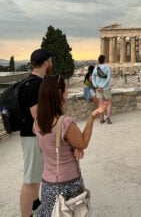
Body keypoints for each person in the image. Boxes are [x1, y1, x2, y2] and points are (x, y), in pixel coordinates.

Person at [33, 75, 107, 217]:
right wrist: (92, 117)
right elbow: (83, 143)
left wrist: (73, 147)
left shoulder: (36, 123)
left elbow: (52, 145)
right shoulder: (64, 123)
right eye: (66, 90)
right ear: (59, 94)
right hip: (68, 183)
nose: (68, 93)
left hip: (48, 183)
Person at [19, 49, 53, 217]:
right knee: (30, 179)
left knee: (35, 175)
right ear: (46, 63)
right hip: (32, 137)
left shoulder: (32, 82)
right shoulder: (35, 85)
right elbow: (37, 115)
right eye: (50, 61)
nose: (51, 64)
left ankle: (36, 204)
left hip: (30, 136)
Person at [92, 54, 113, 124]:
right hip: (106, 88)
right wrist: (103, 86)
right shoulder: (107, 67)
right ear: (104, 60)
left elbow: (93, 78)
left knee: (100, 104)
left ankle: (101, 119)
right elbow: (108, 78)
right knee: (109, 103)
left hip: (98, 89)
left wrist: (96, 86)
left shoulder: (96, 68)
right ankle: (108, 118)